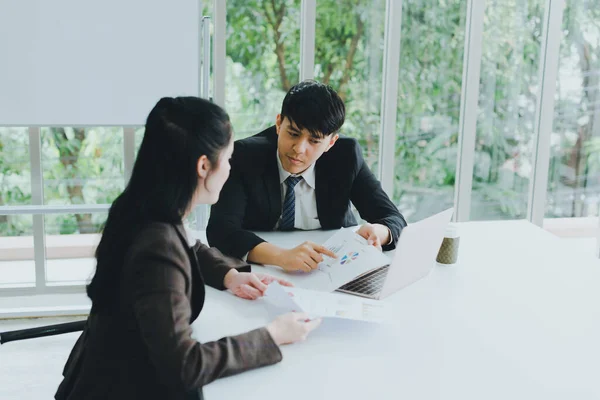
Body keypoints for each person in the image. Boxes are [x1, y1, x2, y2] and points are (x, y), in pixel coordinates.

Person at [55, 97, 321, 400]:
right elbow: (185, 365)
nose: (230, 169)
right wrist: (271, 337)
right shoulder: (157, 245)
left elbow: (187, 247)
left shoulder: (141, 207)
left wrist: (230, 275)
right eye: (229, 158)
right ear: (204, 165)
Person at [207, 80, 407, 273]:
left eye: (314, 141)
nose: (299, 149)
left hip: (335, 267)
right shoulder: (245, 156)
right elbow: (221, 231)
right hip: (267, 271)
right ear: (279, 123)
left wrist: (378, 233)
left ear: (330, 142)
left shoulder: (346, 157)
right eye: (293, 134)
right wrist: (282, 256)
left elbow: (393, 218)